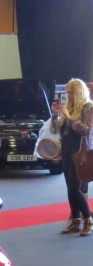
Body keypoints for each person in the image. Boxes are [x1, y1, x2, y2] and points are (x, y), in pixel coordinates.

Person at [59, 78, 93, 236]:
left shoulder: (89, 108)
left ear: (78, 93)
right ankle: (76, 221)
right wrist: (55, 116)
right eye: (67, 93)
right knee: (69, 189)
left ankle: (88, 220)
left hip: (80, 155)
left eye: (71, 93)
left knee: (74, 189)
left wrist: (70, 119)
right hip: (66, 152)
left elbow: (87, 130)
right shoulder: (69, 109)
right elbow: (62, 132)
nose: (68, 97)